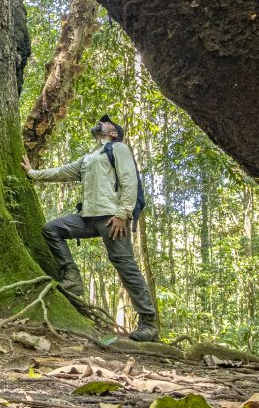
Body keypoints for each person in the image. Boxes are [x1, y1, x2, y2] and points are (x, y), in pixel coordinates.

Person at [22, 115, 159, 342]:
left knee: (125, 265)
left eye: (106, 123)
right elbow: (63, 172)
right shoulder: (90, 157)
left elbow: (129, 180)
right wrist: (32, 174)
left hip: (112, 218)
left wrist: (123, 214)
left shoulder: (118, 149)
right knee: (52, 229)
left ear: (113, 133)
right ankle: (73, 277)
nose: (101, 123)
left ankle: (148, 323)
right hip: (88, 217)